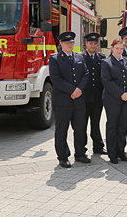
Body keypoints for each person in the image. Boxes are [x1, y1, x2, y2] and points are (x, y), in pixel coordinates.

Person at [50, 31, 90, 168]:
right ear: (61, 44)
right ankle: (62, 156)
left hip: (78, 100)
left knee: (80, 128)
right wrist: (72, 90)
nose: (70, 45)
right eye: (67, 43)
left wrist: (79, 89)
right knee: (62, 129)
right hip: (62, 101)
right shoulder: (55, 59)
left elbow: (86, 74)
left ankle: (80, 153)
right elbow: (56, 79)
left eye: (72, 42)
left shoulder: (79, 57)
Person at [101, 38, 127, 164]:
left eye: (121, 49)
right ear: (112, 49)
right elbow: (107, 81)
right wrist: (120, 94)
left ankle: (121, 151)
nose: (119, 51)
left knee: (123, 126)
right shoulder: (106, 62)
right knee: (112, 126)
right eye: (117, 48)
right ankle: (112, 154)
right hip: (112, 100)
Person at [82, 32, 107, 155]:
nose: (93, 45)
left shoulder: (102, 57)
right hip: (84, 97)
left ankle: (98, 146)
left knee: (96, 123)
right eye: (90, 43)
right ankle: (82, 148)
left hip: (97, 97)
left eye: (94, 43)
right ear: (86, 44)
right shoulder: (80, 57)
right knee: (82, 124)